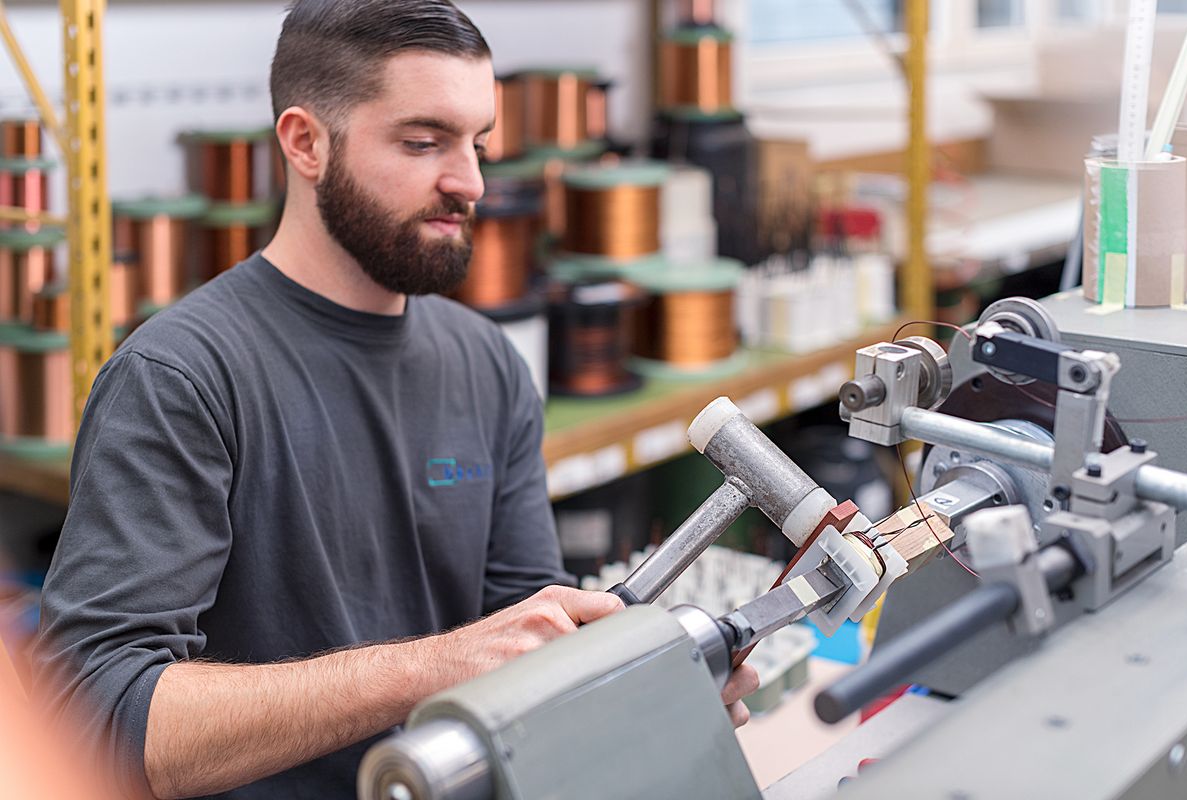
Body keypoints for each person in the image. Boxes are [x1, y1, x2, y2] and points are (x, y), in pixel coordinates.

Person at [33, 1, 758, 798]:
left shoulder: (485, 364)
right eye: (423, 143)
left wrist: (641, 693)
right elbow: (94, 718)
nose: (471, 182)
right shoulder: (180, 379)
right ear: (306, 143)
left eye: (479, 143)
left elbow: (529, 657)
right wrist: (431, 667)